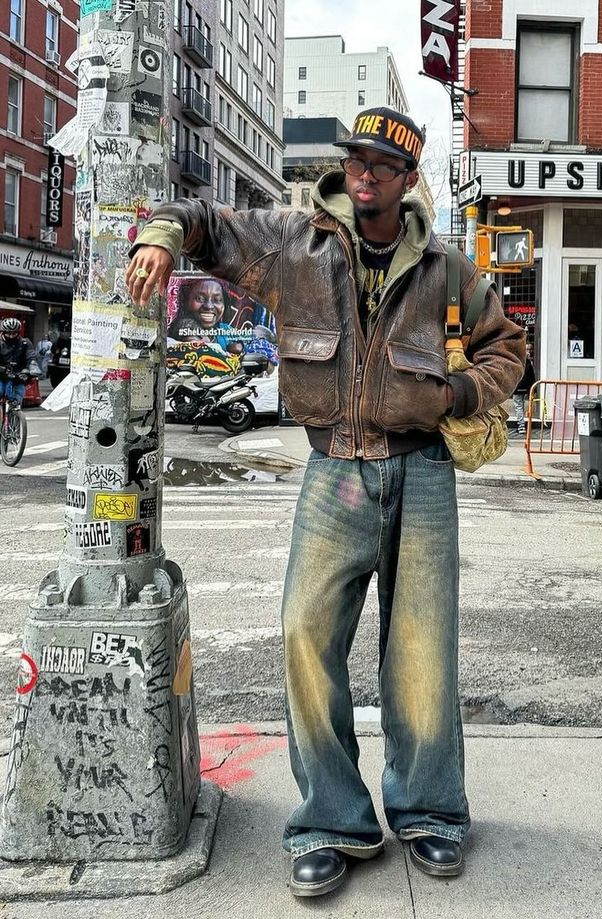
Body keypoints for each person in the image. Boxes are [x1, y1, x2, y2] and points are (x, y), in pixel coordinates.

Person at [126, 106, 525, 898]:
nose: (364, 169)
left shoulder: (447, 269)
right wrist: (160, 237)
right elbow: (203, 216)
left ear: (408, 177)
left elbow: (507, 345)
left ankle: (431, 814)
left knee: (420, 655)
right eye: (355, 157)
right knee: (304, 634)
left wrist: (458, 389)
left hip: (424, 474)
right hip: (332, 469)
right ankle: (331, 820)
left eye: (382, 160)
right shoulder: (293, 243)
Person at [167, 277, 243, 352]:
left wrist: (239, 346)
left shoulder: (225, 329)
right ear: (186, 301)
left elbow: (242, 343)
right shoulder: (182, 327)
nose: (209, 306)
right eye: (200, 299)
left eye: (217, 300)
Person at [0, 318, 36, 408]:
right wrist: (2, 369)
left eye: (14, 333)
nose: (11, 336)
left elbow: (31, 357)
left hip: (18, 376)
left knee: (17, 398)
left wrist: (31, 368)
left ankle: (15, 416)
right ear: (3, 332)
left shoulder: (25, 343)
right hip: (1, 375)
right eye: (9, 333)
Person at [510, 345, 536, 437]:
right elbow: (532, 376)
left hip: (517, 387)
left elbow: (512, 375)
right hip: (526, 387)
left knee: (518, 406)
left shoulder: (515, 362)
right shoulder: (528, 362)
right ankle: (525, 425)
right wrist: (533, 389)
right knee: (523, 405)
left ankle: (521, 426)